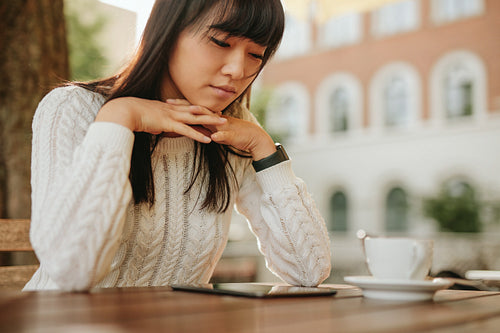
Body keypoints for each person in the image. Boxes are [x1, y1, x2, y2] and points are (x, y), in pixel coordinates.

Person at [24, 0, 331, 292]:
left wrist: (265, 148)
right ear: (168, 32)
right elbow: (71, 270)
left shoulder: (232, 130)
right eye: (221, 42)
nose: (238, 71)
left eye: (256, 54)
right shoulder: (73, 110)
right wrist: (118, 120)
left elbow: (309, 271)